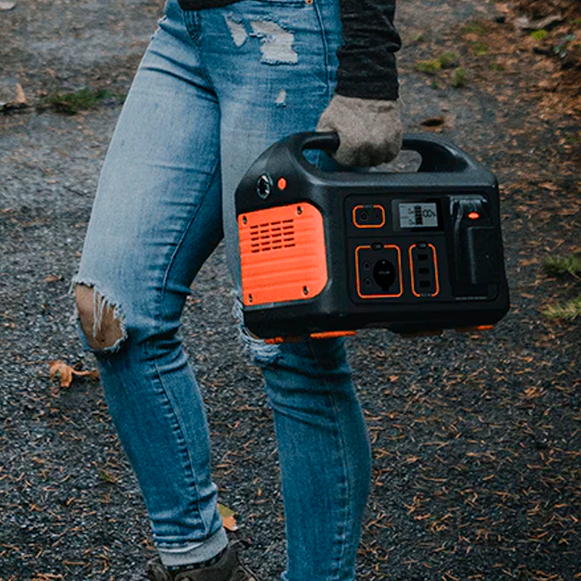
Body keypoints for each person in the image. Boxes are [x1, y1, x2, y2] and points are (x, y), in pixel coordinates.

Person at [72, 0, 402, 579]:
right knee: (113, 305)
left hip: (292, 39)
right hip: (187, 31)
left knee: (292, 339)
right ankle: (199, 563)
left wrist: (369, 79)